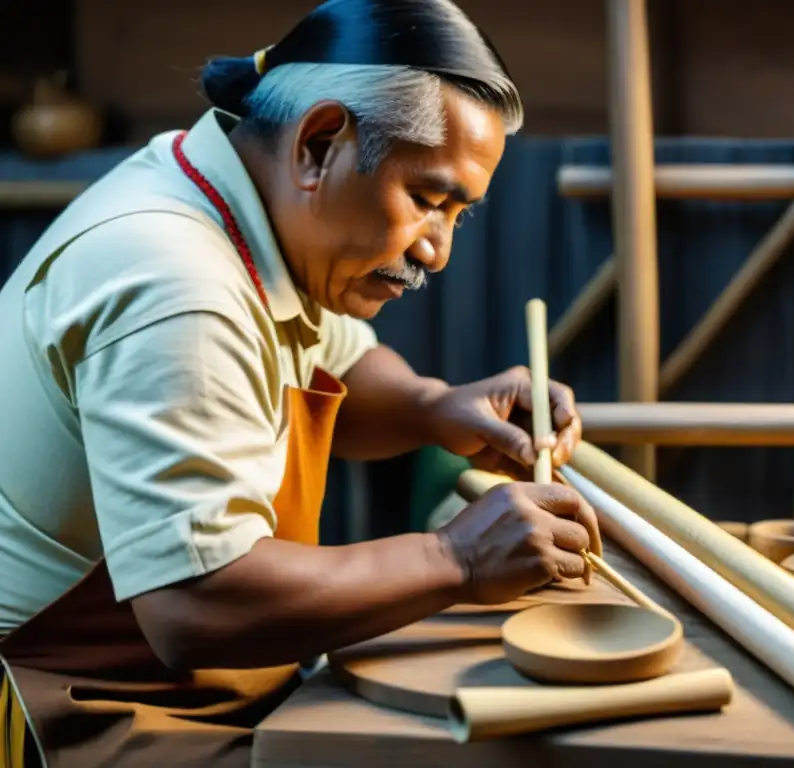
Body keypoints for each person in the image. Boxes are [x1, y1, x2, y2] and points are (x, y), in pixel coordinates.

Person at [0, 1, 601, 764]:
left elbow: (335, 365)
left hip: (192, 683)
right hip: (75, 712)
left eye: (458, 214)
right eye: (425, 200)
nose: (438, 251)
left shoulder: (228, 194)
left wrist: (432, 408)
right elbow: (194, 605)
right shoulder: (176, 281)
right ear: (319, 144)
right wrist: (457, 560)